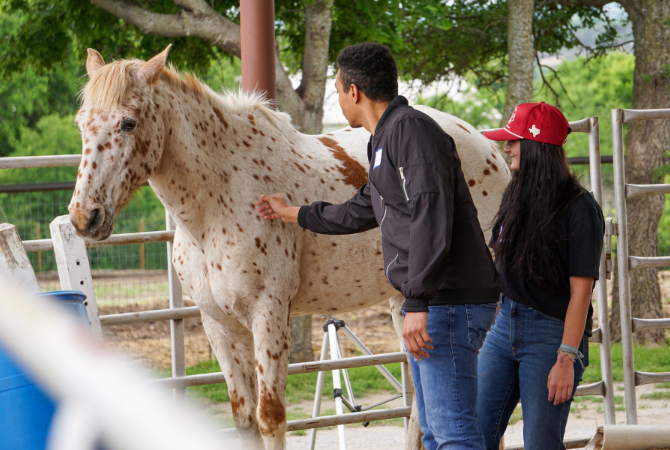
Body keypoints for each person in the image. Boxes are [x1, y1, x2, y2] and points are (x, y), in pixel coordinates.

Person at [256, 42, 499, 449]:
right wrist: (295, 213)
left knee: (453, 432)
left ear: (354, 92)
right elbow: (361, 209)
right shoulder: (386, 138)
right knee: (437, 432)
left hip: (448, 301)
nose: (337, 99)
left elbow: (430, 215)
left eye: (337, 90)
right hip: (435, 301)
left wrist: (418, 303)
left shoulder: (411, 132)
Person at [477, 102, 605, 450]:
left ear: (535, 146)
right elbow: (499, 264)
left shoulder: (579, 208)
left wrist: (566, 358)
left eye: (513, 141)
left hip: (552, 334)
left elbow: (581, 294)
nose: (506, 148)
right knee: (472, 436)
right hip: (504, 327)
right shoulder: (514, 193)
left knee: (540, 444)